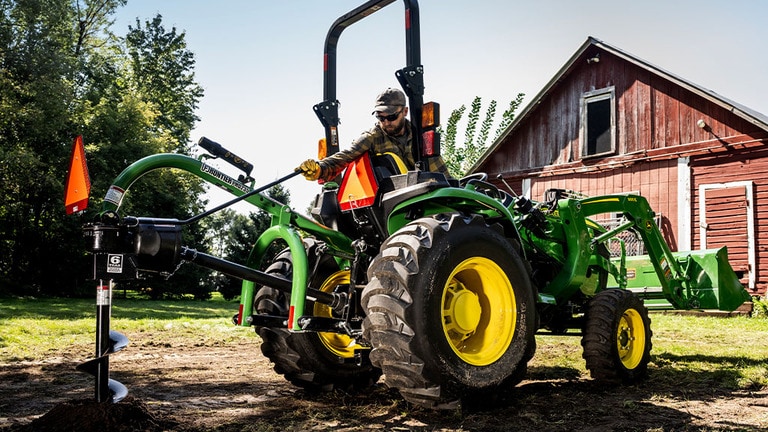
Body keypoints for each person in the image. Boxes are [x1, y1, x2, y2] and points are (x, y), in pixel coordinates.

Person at [297, 87, 449, 182]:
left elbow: (440, 171)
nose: (386, 122)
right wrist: (319, 169)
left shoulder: (420, 136)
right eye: (380, 118)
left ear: (405, 111)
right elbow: (343, 157)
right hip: (396, 201)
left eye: (391, 117)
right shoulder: (372, 137)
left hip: (427, 193)